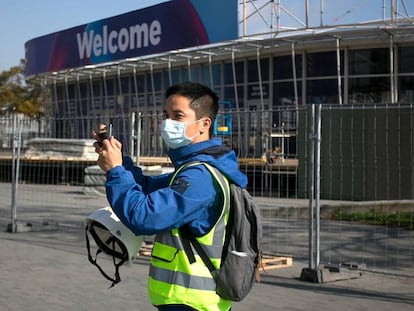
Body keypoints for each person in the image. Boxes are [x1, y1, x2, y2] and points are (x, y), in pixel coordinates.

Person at [94, 82, 248, 311]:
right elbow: (146, 188)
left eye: (178, 116)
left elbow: (145, 217)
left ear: (204, 124)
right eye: (166, 115)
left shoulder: (200, 177)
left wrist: (116, 172)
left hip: (192, 303)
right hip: (183, 301)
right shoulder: (195, 169)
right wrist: (119, 160)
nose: (168, 124)